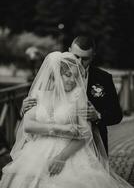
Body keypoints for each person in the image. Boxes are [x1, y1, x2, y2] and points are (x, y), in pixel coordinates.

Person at [0, 51, 132, 188]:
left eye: (75, 76)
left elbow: (85, 133)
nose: (72, 80)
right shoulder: (38, 95)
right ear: (56, 75)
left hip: (70, 153)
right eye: (68, 75)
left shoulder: (77, 96)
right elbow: (27, 126)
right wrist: (60, 128)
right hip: (36, 154)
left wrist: (61, 158)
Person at [21, 36, 123, 154]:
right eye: (76, 56)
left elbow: (117, 115)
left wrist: (98, 116)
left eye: (85, 58)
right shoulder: (51, 79)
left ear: (93, 55)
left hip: (94, 145)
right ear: (69, 51)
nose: (79, 62)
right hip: (53, 146)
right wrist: (25, 109)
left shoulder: (104, 78)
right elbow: (34, 117)